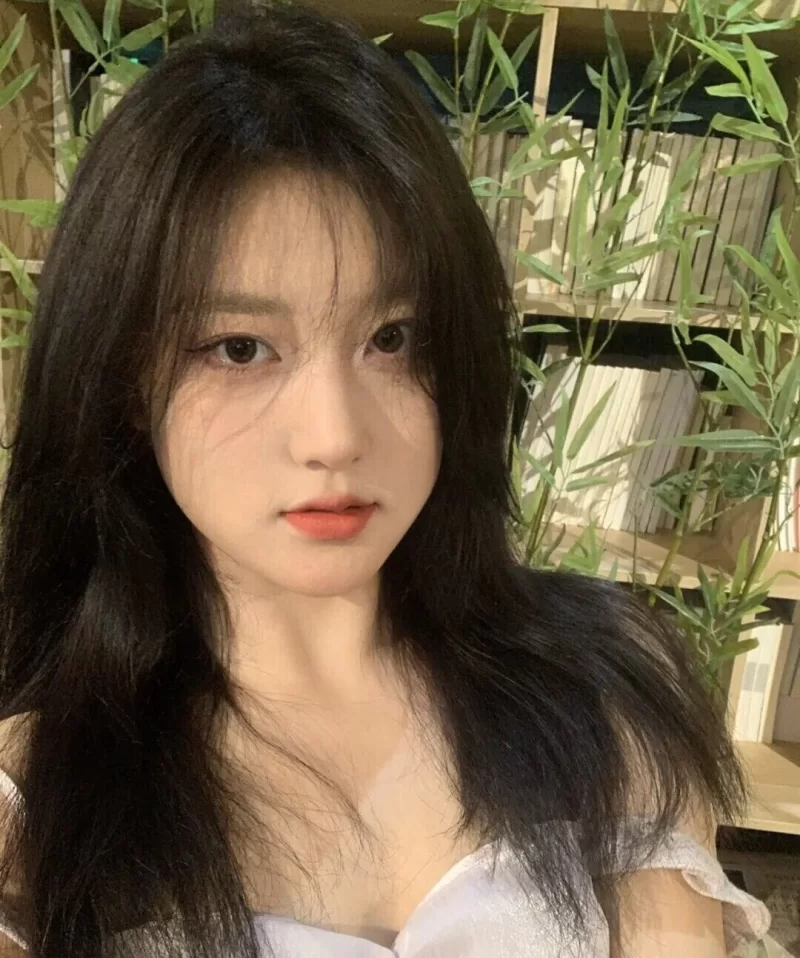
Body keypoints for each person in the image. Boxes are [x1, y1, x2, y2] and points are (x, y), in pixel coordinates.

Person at [0, 3, 771, 956]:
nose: (335, 436)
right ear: (123, 378)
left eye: (393, 338)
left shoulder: (604, 691)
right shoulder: (37, 803)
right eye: (240, 348)